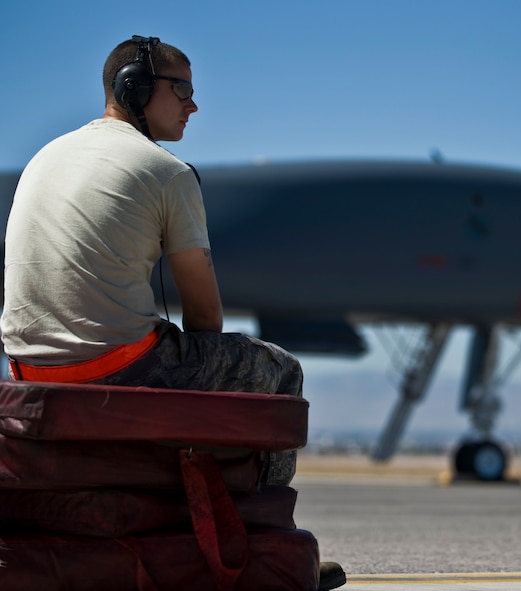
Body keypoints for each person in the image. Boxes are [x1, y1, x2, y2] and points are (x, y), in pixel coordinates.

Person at [0, 36, 345, 590]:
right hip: (120, 365)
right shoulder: (168, 173)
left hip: (26, 371)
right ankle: (271, 544)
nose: (193, 104)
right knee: (280, 371)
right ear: (133, 89)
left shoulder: (46, 156)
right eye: (181, 88)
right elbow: (205, 316)